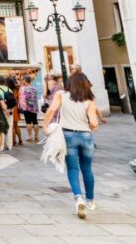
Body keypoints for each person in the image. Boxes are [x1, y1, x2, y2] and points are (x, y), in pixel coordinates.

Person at [43, 72, 100, 219]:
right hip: (86, 135)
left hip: (68, 135)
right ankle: (90, 200)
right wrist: (91, 128)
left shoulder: (61, 95)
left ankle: (78, 197)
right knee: (87, 168)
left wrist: (45, 126)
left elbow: (51, 110)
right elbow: (94, 122)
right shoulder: (89, 99)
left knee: (73, 169)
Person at [0, 75, 16, 151]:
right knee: (9, 127)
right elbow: (13, 102)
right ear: (4, 81)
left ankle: (1, 146)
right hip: (10, 110)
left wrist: (5, 110)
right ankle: (9, 145)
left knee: (1, 128)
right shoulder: (9, 89)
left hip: (2, 111)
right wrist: (10, 110)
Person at [19, 75, 40, 142]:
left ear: (25, 81)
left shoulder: (22, 88)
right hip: (34, 107)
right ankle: (36, 137)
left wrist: (21, 106)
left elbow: (21, 98)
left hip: (27, 107)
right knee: (35, 121)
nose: (22, 81)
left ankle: (30, 137)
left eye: (23, 80)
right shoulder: (34, 88)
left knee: (28, 121)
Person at [8, 77, 23, 146]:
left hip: (12, 108)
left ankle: (14, 141)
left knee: (12, 126)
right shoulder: (17, 90)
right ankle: (20, 140)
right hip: (16, 108)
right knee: (16, 125)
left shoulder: (9, 91)